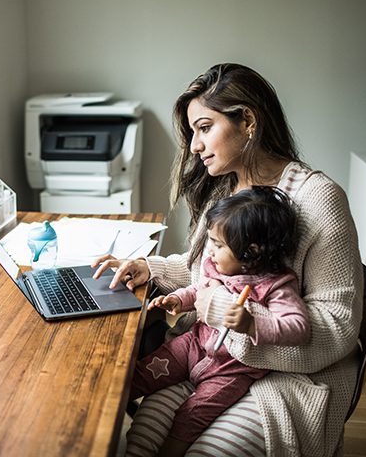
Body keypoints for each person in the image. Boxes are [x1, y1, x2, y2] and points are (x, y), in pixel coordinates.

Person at [92, 63, 363, 456]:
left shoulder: (318, 198)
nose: (194, 146)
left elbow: (337, 327)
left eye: (204, 128)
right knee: (141, 441)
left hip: (286, 379)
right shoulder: (227, 190)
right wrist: (150, 268)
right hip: (205, 355)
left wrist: (232, 320)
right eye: (193, 133)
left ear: (248, 120)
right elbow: (206, 268)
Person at [131, 186, 310, 457]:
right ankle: (100, 409)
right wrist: (179, 300)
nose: (209, 251)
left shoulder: (276, 285)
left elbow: (298, 326)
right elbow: (198, 290)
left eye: (218, 245)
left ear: (251, 252)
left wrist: (252, 324)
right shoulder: (215, 266)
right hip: (194, 345)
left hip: (232, 371)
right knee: (143, 372)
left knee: (192, 415)